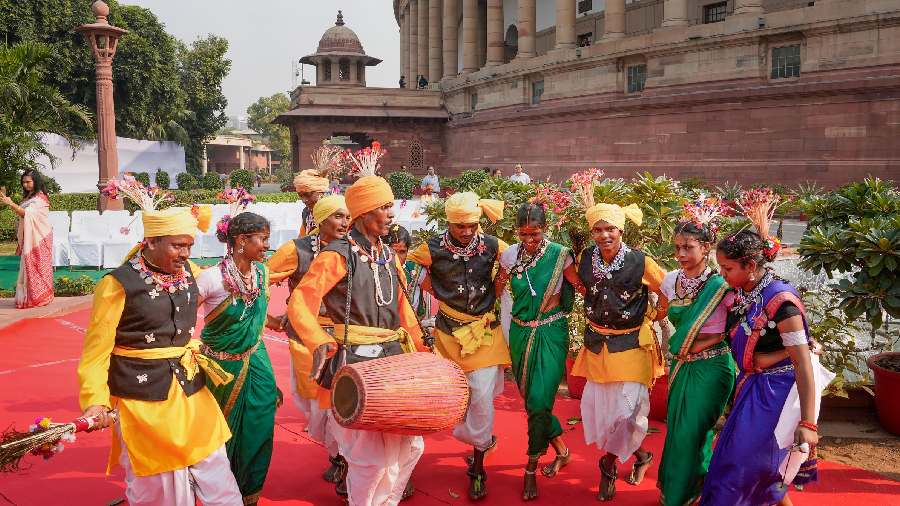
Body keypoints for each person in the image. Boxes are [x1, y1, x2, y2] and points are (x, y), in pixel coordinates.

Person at [76, 193, 242, 505]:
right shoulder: (117, 284)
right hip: (142, 397)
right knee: (162, 484)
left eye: (189, 246)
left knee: (215, 466)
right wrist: (95, 402)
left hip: (191, 387)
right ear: (151, 241)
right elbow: (96, 352)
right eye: (177, 245)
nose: (185, 253)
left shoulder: (190, 271)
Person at [288, 175, 428, 506]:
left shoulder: (387, 255)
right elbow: (300, 303)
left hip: (392, 361)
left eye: (391, 205)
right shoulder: (336, 255)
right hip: (354, 363)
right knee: (369, 459)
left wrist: (423, 354)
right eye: (385, 206)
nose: (392, 213)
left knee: (410, 447)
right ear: (364, 212)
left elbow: (404, 310)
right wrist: (319, 341)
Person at [701, 191, 827, 506]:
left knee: (742, 467)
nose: (723, 275)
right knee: (748, 464)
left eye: (728, 268)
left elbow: (803, 365)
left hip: (778, 393)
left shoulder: (782, 303)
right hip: (753, 385)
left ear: (752, 265)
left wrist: (808, 424)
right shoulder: (747, 290)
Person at [406, 192, 510, 500]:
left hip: (485, 332)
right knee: (454, 399)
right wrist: (430, 291)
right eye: (460, 226)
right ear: (448, 222)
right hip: (448, 335)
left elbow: (517, 260)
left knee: (480, 397)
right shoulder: (431, 248)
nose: (467, 232)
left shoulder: (493, 245)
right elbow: (409, 269)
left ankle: (478, 466)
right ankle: (483, 440)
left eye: (472, 225)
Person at [571, 202, 667, 502]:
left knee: (628, 413)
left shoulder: (641, 261)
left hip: (633, 345)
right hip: (597, 344)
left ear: (621, 230)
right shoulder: (585, 258)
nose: (604, 235)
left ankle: (608, 465)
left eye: (610, 228)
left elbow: (667, 289)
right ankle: (642, 456)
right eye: (598, 230)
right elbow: (582, 285)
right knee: (605, 413)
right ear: (591, 233)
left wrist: (653, 317)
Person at [496, 203, 586, 501]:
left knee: (538, 401)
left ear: (544, 228)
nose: (529, 241)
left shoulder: (561, 255)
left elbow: (582, 286)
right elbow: (497, 287)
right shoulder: (511, 255)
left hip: (550, 331)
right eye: (523, 234)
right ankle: (562, 450)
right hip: (520, 331)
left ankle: (531, 466)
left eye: (534, 234)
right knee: (530, 397)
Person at [268, 195, 352, 494]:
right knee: (314, 408)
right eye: (338, 217)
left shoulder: (354, 248)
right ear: (320, 219)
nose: (345, 223)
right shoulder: (298, 249)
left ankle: (345, 460)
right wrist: (268, 318)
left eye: (347, 217)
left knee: (343, 403)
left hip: (346, 337)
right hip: (306, 340)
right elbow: (260, 278)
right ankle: (335, 452)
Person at [196, 211, 279, 505]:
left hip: (255, 359)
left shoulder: (261, 273)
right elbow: (179, 314)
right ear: (241, 240)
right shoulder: (212, 278)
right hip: (221, 367)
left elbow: (252, 308)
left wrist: (275, 322)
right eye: (263, 239)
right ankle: (221, 493)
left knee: (260, 423)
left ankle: (249, 491)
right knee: (222, 433)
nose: (267, 245)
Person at [657, 205, 735, 506]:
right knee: (677, 430)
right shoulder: (670, 280)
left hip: (712, 367)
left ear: (706, 248)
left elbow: (734, 328)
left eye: (688, 248)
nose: (681, 254)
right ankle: (687, 489)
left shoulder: (722, 285)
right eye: (677, 248)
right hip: (680, 366)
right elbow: (661, 313)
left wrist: (697, 345)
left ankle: (686, 493)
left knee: (694, 431)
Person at [0, 169, 53, 309]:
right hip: (30, 237)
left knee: (37, 266)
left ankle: (41, 297)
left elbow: (27, 214)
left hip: (39, 237)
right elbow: (25, 215)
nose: (25, 185)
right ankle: (28, 297)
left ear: (36, 181)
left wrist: (10, 203)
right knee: (27, 266)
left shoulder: (40, 198)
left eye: (28, 182)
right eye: (23, 182)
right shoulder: (29, 197)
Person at [386, 224, 436, 323]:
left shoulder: (414, 270)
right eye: (393, 251)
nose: (397, 258)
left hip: (413, 328)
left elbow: (438, 292)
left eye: (402, 252)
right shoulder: (373, 270)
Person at [294, 169, 329, 236]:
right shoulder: (306, 212)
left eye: (307, 195)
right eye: (300, 196)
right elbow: (302, 238)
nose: (304, 200)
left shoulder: (336, 211)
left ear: (321, 192)